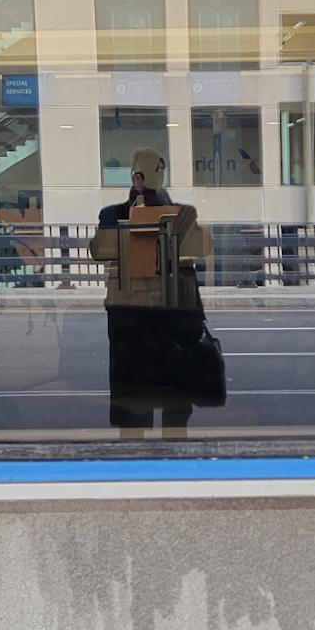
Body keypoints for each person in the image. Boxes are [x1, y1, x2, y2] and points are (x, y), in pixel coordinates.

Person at [92, 148, 223, 434]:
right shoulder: (177, 216)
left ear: (135, 177)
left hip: (134, 316)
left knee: (136, 408)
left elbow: (97, 249)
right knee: (172, 408)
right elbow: (205, 246)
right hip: (167, 314)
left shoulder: (116, 215)